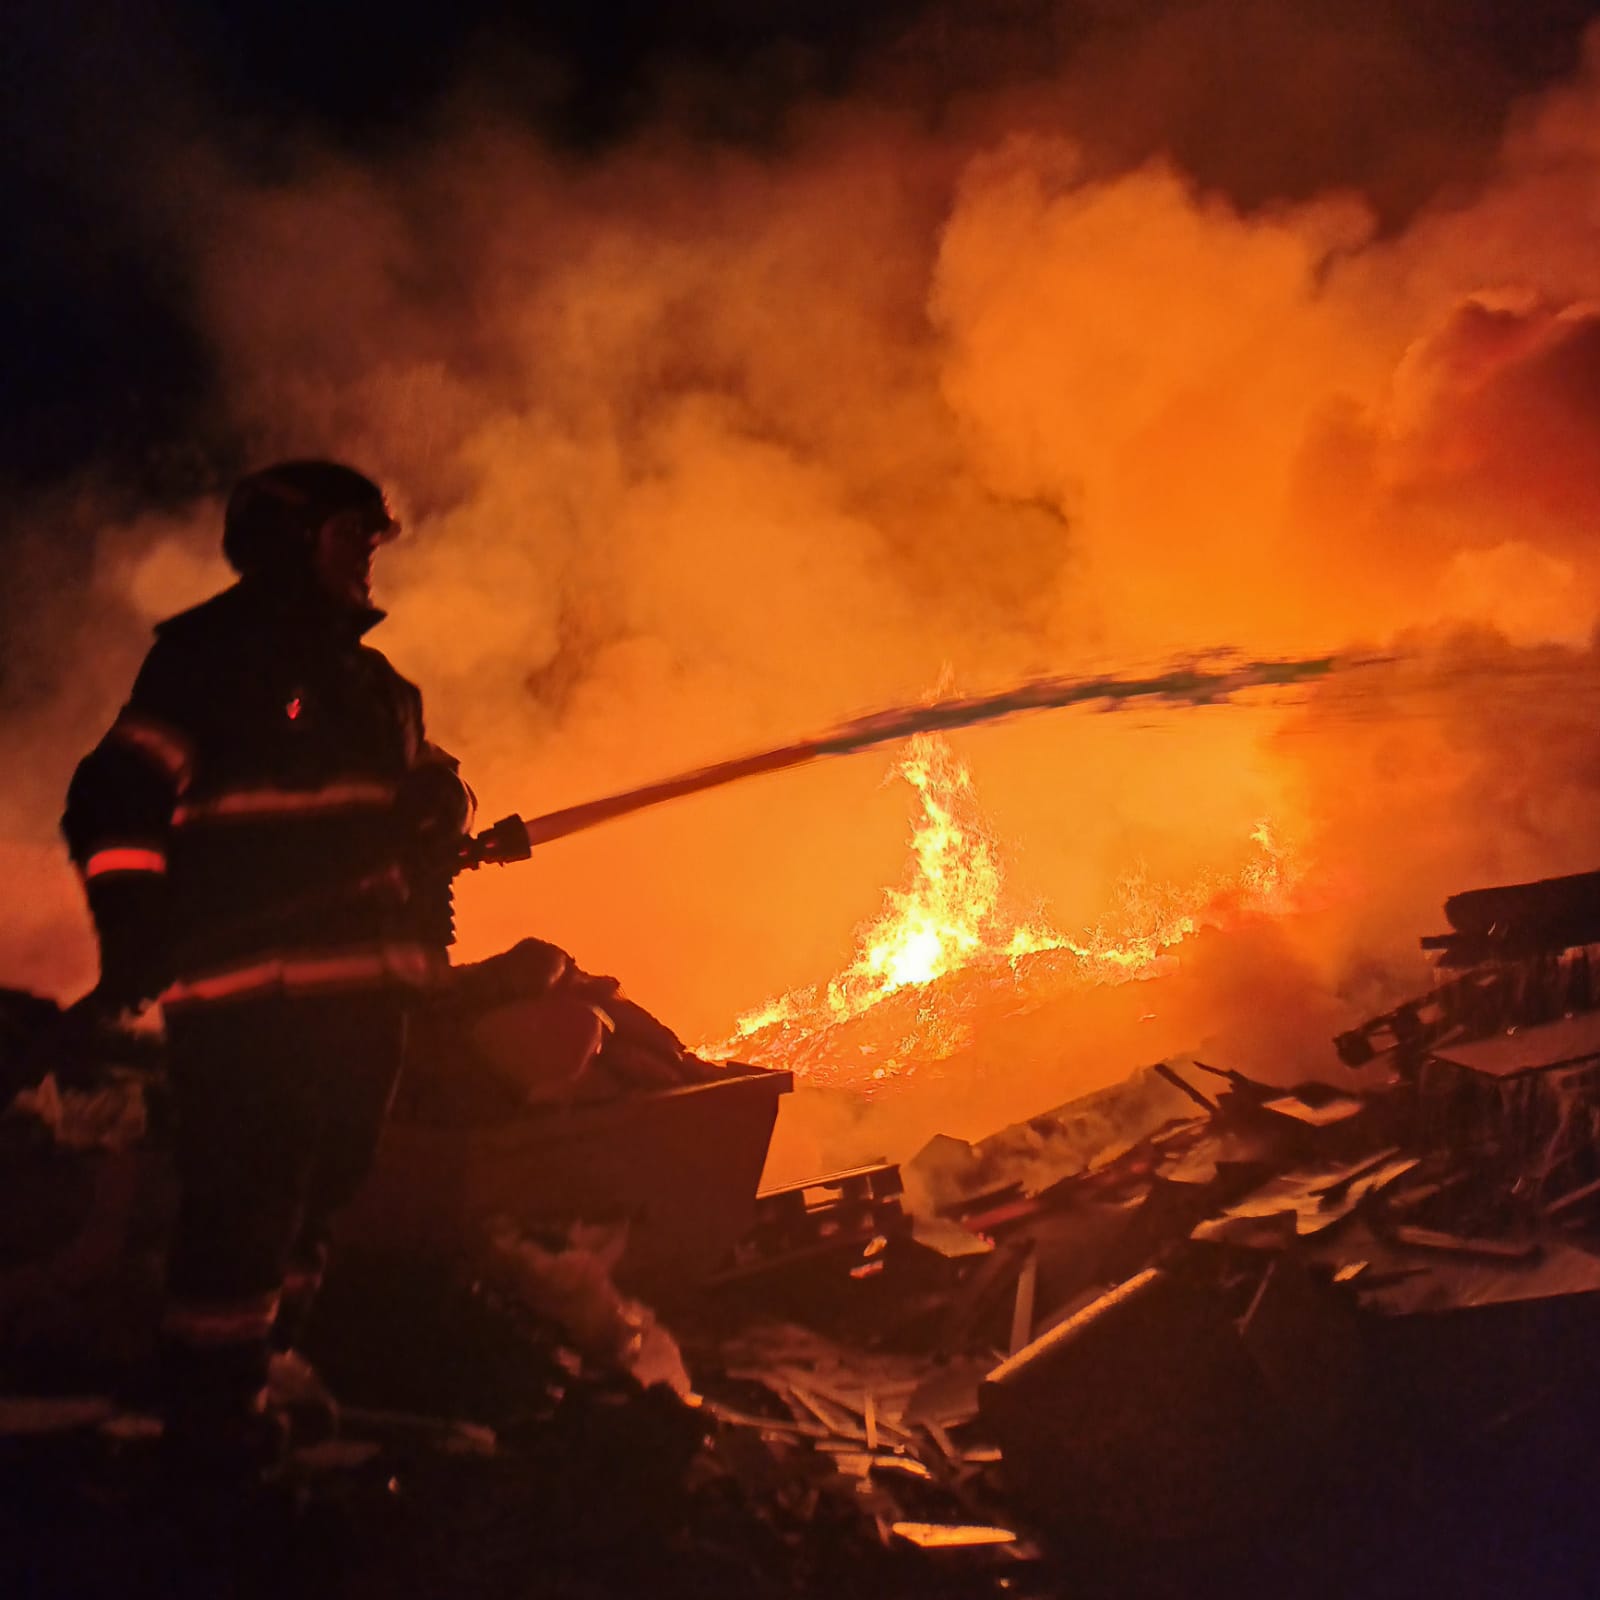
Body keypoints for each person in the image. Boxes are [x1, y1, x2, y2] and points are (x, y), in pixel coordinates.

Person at [62, 459, 471, 1472]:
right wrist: (134, 932)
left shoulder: (377, 688)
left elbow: (427, 788)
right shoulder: (206, 663)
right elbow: (115, 799)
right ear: (291, 543)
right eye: (350, 537)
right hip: (246, 999)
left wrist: (438, 810)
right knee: (244, 1199)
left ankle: (262, 1363)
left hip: (357, 1000)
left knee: (321, 1189)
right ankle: (210, 1417)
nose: (368, 560)